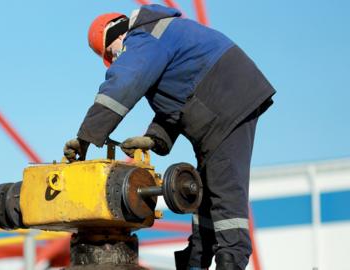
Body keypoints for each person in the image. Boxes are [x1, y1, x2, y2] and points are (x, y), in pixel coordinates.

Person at [63, 4, 275, 270]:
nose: (116, 60)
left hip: (226, 101)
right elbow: (180, 97)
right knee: (206, 191)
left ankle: (230, 259)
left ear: (115, 38)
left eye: (111, 55)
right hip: (220, 103)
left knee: (224, 190)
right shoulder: (159, 37)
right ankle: (197, 258)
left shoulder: (143, 37)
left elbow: (121, 85)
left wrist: (86, 137)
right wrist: (154, 138)